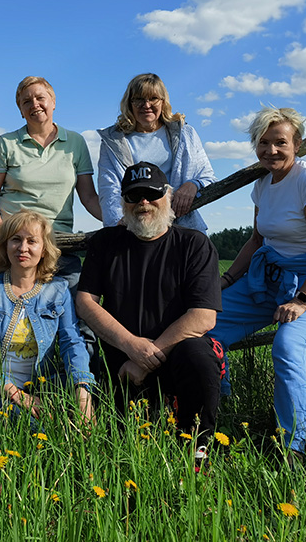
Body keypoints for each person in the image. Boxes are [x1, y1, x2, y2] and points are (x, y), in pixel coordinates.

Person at [210, 107, 306, 460]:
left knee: (287, 347)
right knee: (206, 325)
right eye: (263, 143)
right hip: (273, 278)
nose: (271, 150)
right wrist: (226, 280)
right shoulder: (263, 184)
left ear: (297, 144)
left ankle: (291, 447)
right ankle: (222, 408)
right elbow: (255, 240)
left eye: (280, 142)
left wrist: (302, 299)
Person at [76, 162, 223, 444]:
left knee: (198, 355)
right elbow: (85, 302)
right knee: (121, 440)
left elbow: (203, 316)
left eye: (151, 194)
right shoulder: (105, 243)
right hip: (121, 362)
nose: (143, 202)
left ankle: (197, 449)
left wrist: (147, 356)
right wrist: (132, 346)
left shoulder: (194, 244)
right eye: (133, 196)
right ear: (123, 203)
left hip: (175, 357)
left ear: (167, 196)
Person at [0, 210, 94, 421]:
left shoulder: (58, 290)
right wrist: (16, 394)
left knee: (78, 412)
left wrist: (82, 390)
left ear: (44, 249)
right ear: (5, 245)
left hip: (44, 383)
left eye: (32, 241)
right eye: (16, 240)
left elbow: (72, 342)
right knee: (31, 426)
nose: (23, 248)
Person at [0, 76, 102, 290]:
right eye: (26, 101)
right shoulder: (6, 143)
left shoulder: (75, 143)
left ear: (53, 102)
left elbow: (90, 197)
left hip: (59, 241)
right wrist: (4, 235)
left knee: (77, 304)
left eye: (40, 98)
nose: (34, 104)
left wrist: (117, 220)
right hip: (17, 242)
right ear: (20, 110)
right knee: (12, 307)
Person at [97, 73, 215, 233]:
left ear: (163, 102)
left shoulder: (184, 134)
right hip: (134, 226)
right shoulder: (113, 141)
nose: (146, 105)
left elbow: (207, 176)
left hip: (180, 225)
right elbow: (109, 188)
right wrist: (118, 224)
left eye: (153, 98)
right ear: (129, 103)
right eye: (138, 99)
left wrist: (193, 184)